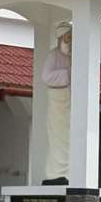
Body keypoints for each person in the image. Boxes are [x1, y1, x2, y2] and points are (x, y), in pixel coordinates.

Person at [41, 23, 72, 185]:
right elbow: (46, 77)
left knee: (68, 137)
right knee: (57, 138)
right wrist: (66, 75)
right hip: (57, 102)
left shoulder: (74, 56)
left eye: (70, 37)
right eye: (66, 37)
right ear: (61, 38)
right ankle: (55, 173)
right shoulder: (53, 55)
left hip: (69, 102)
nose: (69, 40)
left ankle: (67, 172)